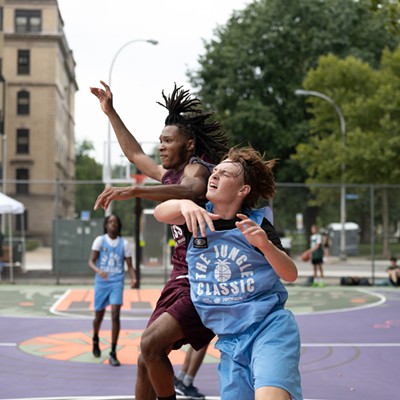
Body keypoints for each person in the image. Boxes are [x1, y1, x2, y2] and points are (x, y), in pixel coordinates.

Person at [91, 81, 228, 399]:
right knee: (145, 359)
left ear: (189, 144)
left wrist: (135, 190)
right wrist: (111, 112)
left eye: (169, 141)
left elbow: (192, 190)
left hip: (204, 281)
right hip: (178, 279)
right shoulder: (169, 174)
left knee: (150, 345)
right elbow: (134, 153)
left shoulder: (199, 170)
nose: (162, 147)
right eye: (161, 141)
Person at [154, 146, 303, 400]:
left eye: (225, 174)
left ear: (243, 190)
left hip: (268, 329)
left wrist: (265, 246)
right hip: (230, 341)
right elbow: (160, 213)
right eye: (216, 171)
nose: (214, 175)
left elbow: (290, 274)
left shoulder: (256, 225)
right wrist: (182, 203)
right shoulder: (197, 217)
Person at [88, 214, 136, 366]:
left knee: (115, 314)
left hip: (117, 282)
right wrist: (98, 270)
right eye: (110, 222)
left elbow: (129, 266)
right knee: (99, 316)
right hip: (102, 282)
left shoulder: (124, 244)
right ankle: (95, 338)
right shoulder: (100, 241)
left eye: (115, 222)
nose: (113, 224)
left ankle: (113, 352)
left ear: (119, 225)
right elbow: (91, 261)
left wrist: (133, 278)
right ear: (106, 225)